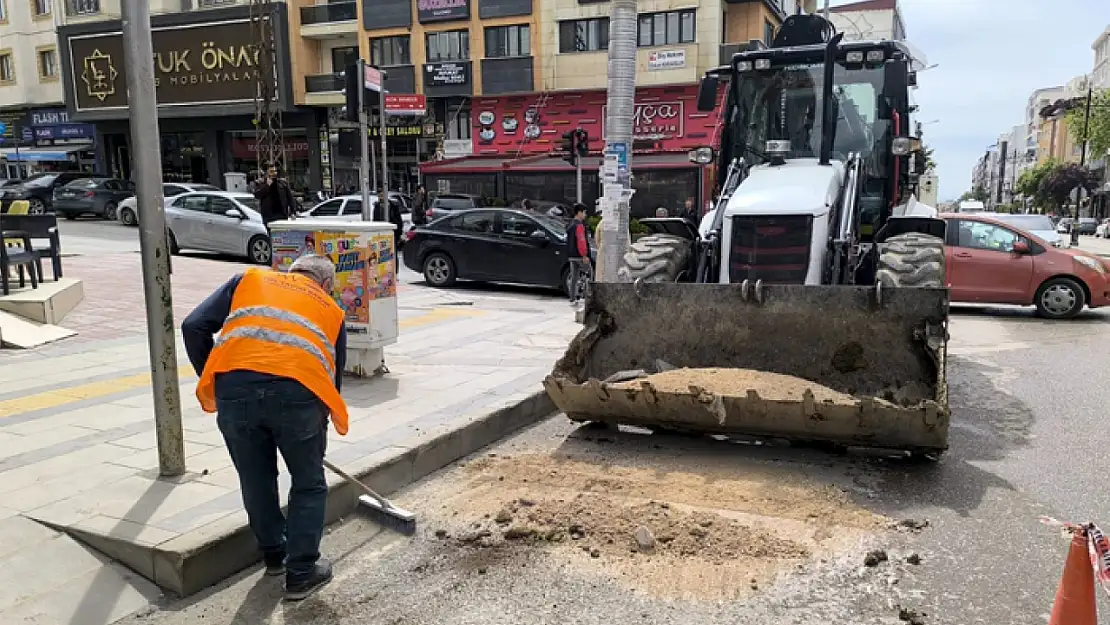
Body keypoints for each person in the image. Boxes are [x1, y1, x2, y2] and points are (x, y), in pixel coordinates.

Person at [181, 255, 348, 602]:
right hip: (299, 394)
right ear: (327, 285)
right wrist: (318, 435)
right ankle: (301, 573)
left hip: (235, 390)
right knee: (309, 483)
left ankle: (274, 555)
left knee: (255, 477)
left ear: (290, 274)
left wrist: (217, 379)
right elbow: (332, 381)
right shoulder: (331, 310)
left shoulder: (250, 279)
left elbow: (193, 326)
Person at [254, 163, 298, 231]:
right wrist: (267, 186)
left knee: (283, 236)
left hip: (282, 215)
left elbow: (290, 198)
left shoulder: (282, 183)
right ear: (266, 173)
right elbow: (257, 195)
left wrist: (293, 212)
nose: (274, 173)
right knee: (272, 237)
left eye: (275, 171)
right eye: (271, 171)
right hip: (269, 216)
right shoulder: (260, 183)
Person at [566, 203, 592, 306]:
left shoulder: (570, 224)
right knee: (590, 273)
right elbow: (581, 241)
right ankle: (590, 296)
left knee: (574, 277)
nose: (585, 215)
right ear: (579, 212)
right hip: (580, 255)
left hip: (571, 255)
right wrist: (584, 255)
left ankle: (572, 298)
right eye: (584, 212)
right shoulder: (579, 225)